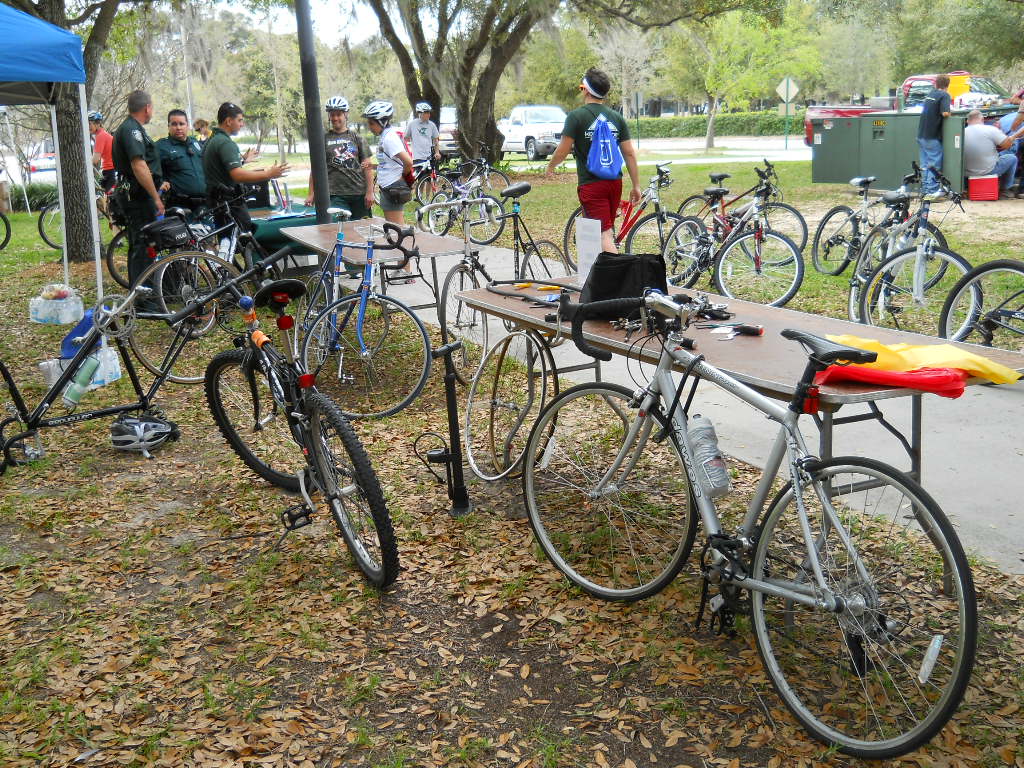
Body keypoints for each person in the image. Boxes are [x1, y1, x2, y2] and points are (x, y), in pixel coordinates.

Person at [545, 67, 641, 254]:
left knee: (603, 235)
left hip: (592, 184)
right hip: (615, 183)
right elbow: (629, 153)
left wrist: (551, 166)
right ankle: (596, 276)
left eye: (582, 87)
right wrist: (636, 185)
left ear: (586, 90)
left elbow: (563, 149)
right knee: (605, 230)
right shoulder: (617, 118)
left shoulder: (576, 117)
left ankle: (619, 278)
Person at [203, 101, 288, 235]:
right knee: (245, 241)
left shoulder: (213, 140)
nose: (242, 124)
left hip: (217, 203)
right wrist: (269, 174)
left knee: (227, 244)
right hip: (229, 205)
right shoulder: (225, 143)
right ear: (229, 121)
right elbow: (238, 175)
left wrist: (242, 161)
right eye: (240, 120)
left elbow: (220, 170)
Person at [111, 90, 164, 290]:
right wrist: (155, 197)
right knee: (143, 244)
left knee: (139, 243)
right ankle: (144, 297)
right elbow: (138, 165)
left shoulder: (130, 128)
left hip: (133, 193)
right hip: (137, 196)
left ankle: (141, 291)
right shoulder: (132, 130)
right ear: (147, 108)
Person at [362, 100, 415, 281]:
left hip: (393, 188)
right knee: (393, 230)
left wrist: (402, 177)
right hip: (387, 187)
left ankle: (406, 270)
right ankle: (403, 267)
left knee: (398, 230)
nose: (370, 127)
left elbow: (408, 162)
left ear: (382, 122)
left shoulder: (390, 137)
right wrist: (373, 165)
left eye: (371, 123)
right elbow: (389, 163)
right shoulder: (386, 136)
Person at [303, 96, 374, 220]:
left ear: (345, 114)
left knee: (362, 229)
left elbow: (368, 166)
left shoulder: (357, 138)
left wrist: (370, 192)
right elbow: (315, 169)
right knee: (340, 229)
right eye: (332, 114)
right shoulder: (323, 139)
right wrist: (311, 193)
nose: (335, 118)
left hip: (359, 194)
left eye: (339, 114)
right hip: (335, 195)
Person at [963, 109, 1024, 198]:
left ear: (968, 121)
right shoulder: (990, 129)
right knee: (1012, 158)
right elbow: (1007, 145)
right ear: (982, 119)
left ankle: (966, 187)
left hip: (966, 173)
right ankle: (1005, 190)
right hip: (988, 171)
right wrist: (1010, 138)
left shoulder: (962, 132)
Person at [155, 109, 206, 215]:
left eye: (181, 124)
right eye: (174, 124)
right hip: (179, 207)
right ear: (168, 126)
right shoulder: (161, 146)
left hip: (204, 205)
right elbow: (147, 168)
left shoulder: (196, 144)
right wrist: (159, 182)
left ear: (187, 125)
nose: (178, 127)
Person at [917, 74, 951, 199]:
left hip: (921, 135)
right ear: (948, 85)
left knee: (925, 164)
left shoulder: (930, 95)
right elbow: (945, 113)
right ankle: (931, 192)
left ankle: (924, 190)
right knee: (934, 164)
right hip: (932, 136)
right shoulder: (944, 95)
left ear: (936, 84)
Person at [88, 110, 116, 192]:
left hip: (109, 172)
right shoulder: (103, 134)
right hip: (111, 171)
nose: (88, 126)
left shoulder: (100, 136)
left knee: (106, 202)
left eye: (90, 124)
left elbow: (95, 159)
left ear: (98, 124)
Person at [408, 102, 440, 167]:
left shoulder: (432, 125)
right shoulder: (412, 124)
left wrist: (437, 152)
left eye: (429, 112)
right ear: (420, 113)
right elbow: (405, 138)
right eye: (426, 112)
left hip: (428, 157)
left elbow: (435, 140)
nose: (428, 114)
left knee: (429, 176)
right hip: (416, 157)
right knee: (418, 176)